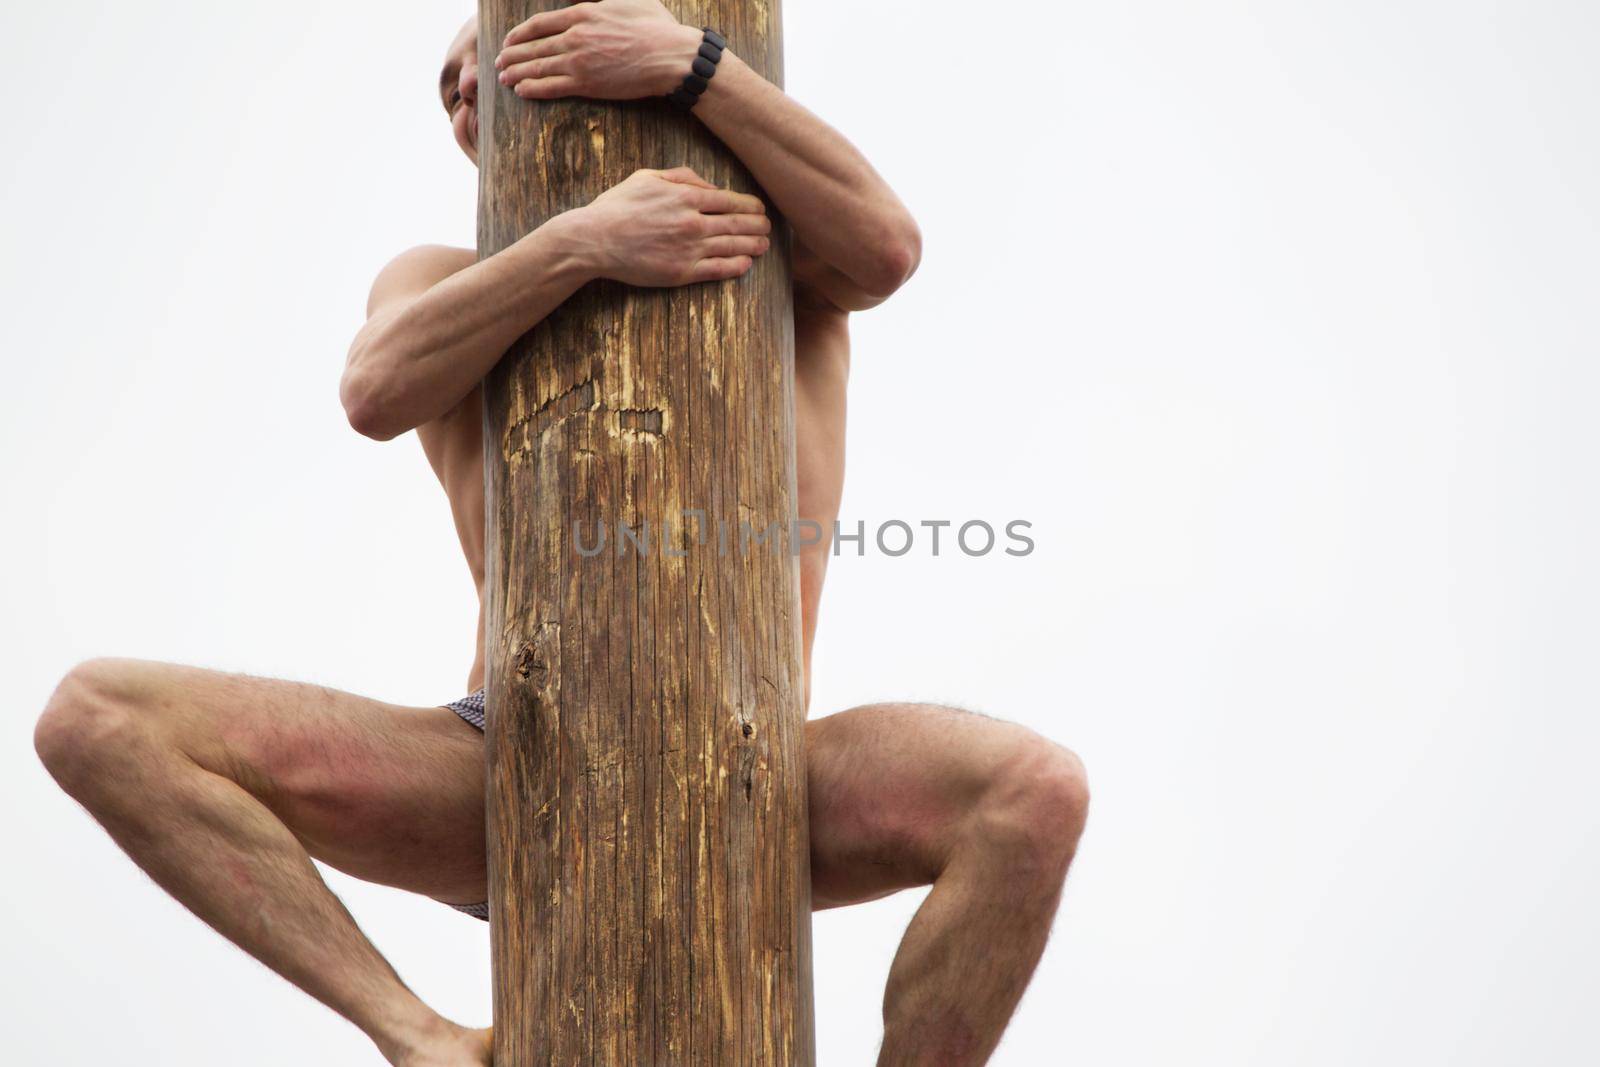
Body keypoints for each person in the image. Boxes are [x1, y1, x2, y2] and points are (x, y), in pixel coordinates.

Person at [33, 5, 1088, 1064]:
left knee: (1031, 792)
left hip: (757, 757)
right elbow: (373, 387)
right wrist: (584, 243)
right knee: (97, 718)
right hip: (507, 755)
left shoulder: (775, 260)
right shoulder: (438, 280)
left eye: (485, 50)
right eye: (444, 79)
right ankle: (420, 1036)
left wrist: (695, 64)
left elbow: (890, 245)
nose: (458, 82)